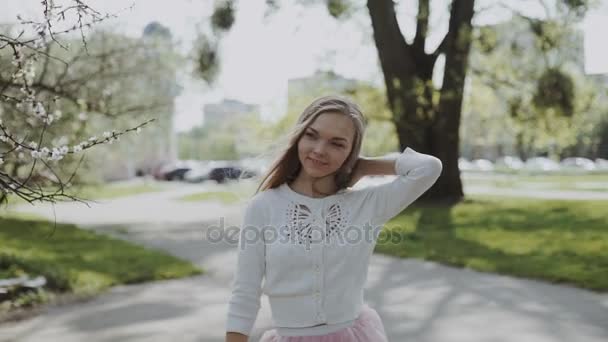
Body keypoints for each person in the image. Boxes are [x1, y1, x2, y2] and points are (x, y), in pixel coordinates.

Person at [225, 95, 443, 342]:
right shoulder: (263, 206)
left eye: (337, 144)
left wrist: (363, 167)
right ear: (299, 136)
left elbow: (429, 168)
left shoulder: (367, 205)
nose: (319, 150)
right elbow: (245, 292)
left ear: (352, 151)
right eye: (311, 135)